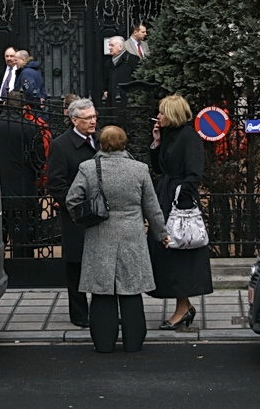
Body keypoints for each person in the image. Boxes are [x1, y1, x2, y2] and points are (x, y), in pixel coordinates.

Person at [66, 125, 170, 353]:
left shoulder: (88, 168)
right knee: (131, 292)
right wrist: (162, 234)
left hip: (99, 235)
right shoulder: (140, 169)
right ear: (125, 143)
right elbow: (152, 208)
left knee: (102, 293)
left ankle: (104, 344)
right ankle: (133, 343)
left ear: (101, 144)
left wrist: (85, 221)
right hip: (132, 236)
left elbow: (72, 200)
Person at [148, 93, 213, 330]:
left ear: (173, 114)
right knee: (167, 252)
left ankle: (182, 307)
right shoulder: (168, 135)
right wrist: (156, 142)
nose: (158, 116)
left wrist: (180, 199)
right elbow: (158, 168)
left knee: (180, 253)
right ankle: (183, 306)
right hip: (165, 196)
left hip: (179, 203)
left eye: (162, 112)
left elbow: (194, 174)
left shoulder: (189, 137)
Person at [46, 97, 98, 328]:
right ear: (74, 120)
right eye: (88, 118)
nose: (93, 122)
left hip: (100, 215)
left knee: (101, 264)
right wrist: (76, 206)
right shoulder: (61, 145)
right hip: (76, 216)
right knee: (76, 265)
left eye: (94, 117)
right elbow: (56, 183)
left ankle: (101, 311)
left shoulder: (100, 139)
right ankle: (79, 315)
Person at [0, 95, 47, 259]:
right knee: (22, 236)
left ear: (5, 104)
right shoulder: (30, 127)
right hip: (23, 188)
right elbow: (39, 158)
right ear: (24, 107)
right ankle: (24, 268)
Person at [102, 36, 138, 106]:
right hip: (112, 100)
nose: (110, 48)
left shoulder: (132, 59)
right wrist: (105, 90)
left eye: (112, 45)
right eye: (109, 45)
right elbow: (106, 79)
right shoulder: (108, 63)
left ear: (120, 47)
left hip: (128, 101)